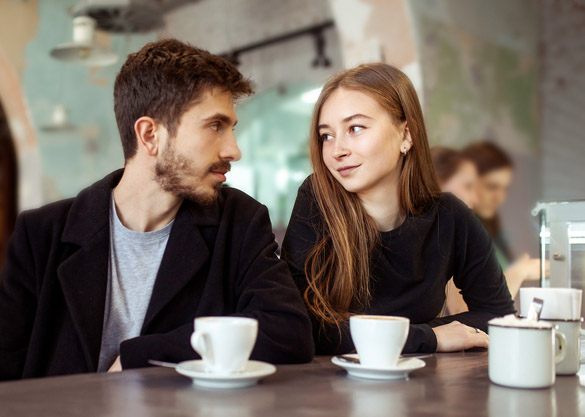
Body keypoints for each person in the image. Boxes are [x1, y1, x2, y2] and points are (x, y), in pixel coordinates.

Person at [0, 39, 313, 381]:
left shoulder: (239, 221)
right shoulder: (41, 234)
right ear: (150, 135)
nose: (234, 150)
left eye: (231, 128)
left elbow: (288, 332)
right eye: (215, 126)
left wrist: (141, 355)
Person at [281, 63, 515, 355]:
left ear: (406, 134)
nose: (337, 150)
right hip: (331, 391)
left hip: (421, 389)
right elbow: (301, 325)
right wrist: (429, 337)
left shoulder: (449, 216)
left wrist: (419, 337)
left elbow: (499, 316)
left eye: (355, 128)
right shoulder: (316, 198)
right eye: (326, 135)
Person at [461, 141, 543, 299]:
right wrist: (519, 272)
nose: (500, 198)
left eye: (505, 189)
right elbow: (475, 307)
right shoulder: (458, 233)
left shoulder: (493, 230)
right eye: (491, 187)